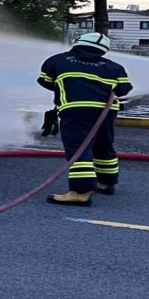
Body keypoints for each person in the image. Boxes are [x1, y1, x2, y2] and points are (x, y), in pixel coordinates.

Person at [37, 32, 133, 206]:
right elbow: (123, 89)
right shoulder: (115, 67)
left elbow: (45, 81)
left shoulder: (57, 61)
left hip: (75, 109)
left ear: (77, 43)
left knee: (78, 147)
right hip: (106, 112)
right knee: (103, 144)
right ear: (104, 50)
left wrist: (73, 84)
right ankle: (106, 183)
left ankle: (80, 193)